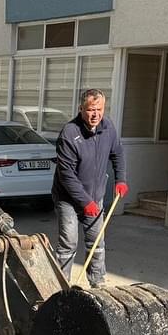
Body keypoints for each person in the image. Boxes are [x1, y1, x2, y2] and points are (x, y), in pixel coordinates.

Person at [51, 89, 128, 287]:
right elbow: (66, 174)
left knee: (97, 243)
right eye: (91, 110)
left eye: (99, 109)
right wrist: (85, 202)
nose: (95, 114)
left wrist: (121, 179)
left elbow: (117, 153)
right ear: (81, 109)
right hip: (68, 198)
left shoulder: (108, 128)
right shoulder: (69, 133)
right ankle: (61, 287)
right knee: (68, 243)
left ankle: (98, 283)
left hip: (95, 196)